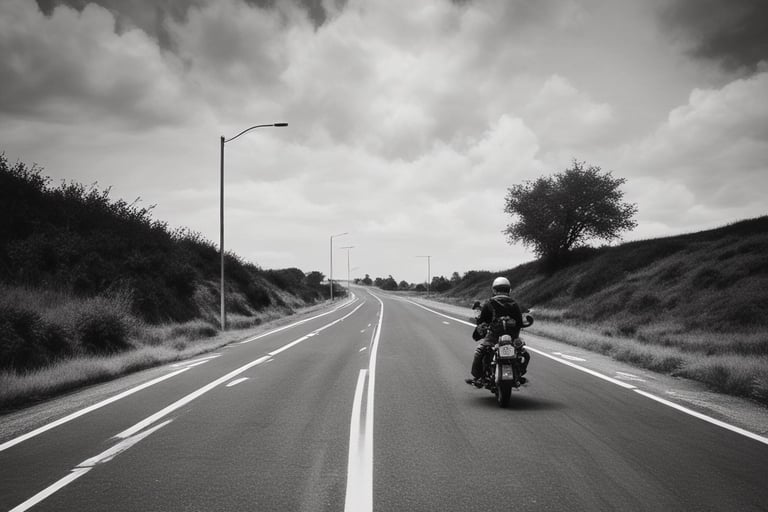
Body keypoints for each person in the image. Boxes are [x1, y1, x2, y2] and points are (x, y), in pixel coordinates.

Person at [465, 276, 530, 386]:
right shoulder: (514, 304)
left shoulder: (489, 303)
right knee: (525, 354)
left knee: (479, 352)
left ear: (494, 290)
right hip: (512, 338)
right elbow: (519, 322)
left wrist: (481, 325)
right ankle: (519, 374)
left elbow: (482, 320)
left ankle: (479, 377)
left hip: (493, 338)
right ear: (509, 290)